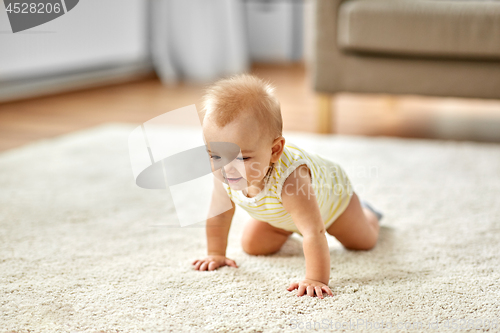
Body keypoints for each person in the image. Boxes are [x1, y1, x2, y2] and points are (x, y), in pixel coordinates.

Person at [192, 74, 383, 298]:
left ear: (274, 150)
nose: (228, 169)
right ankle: (287, 225)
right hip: (284, 214)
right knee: (253, 245)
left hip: (334, 204)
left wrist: (315, 279)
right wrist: (215, 253)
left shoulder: (291, 181)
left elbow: (315, 231)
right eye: (215, 156)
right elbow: (219, 215)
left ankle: (368, 211)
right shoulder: (225, 173)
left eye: (242, 159)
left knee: (364, 242)